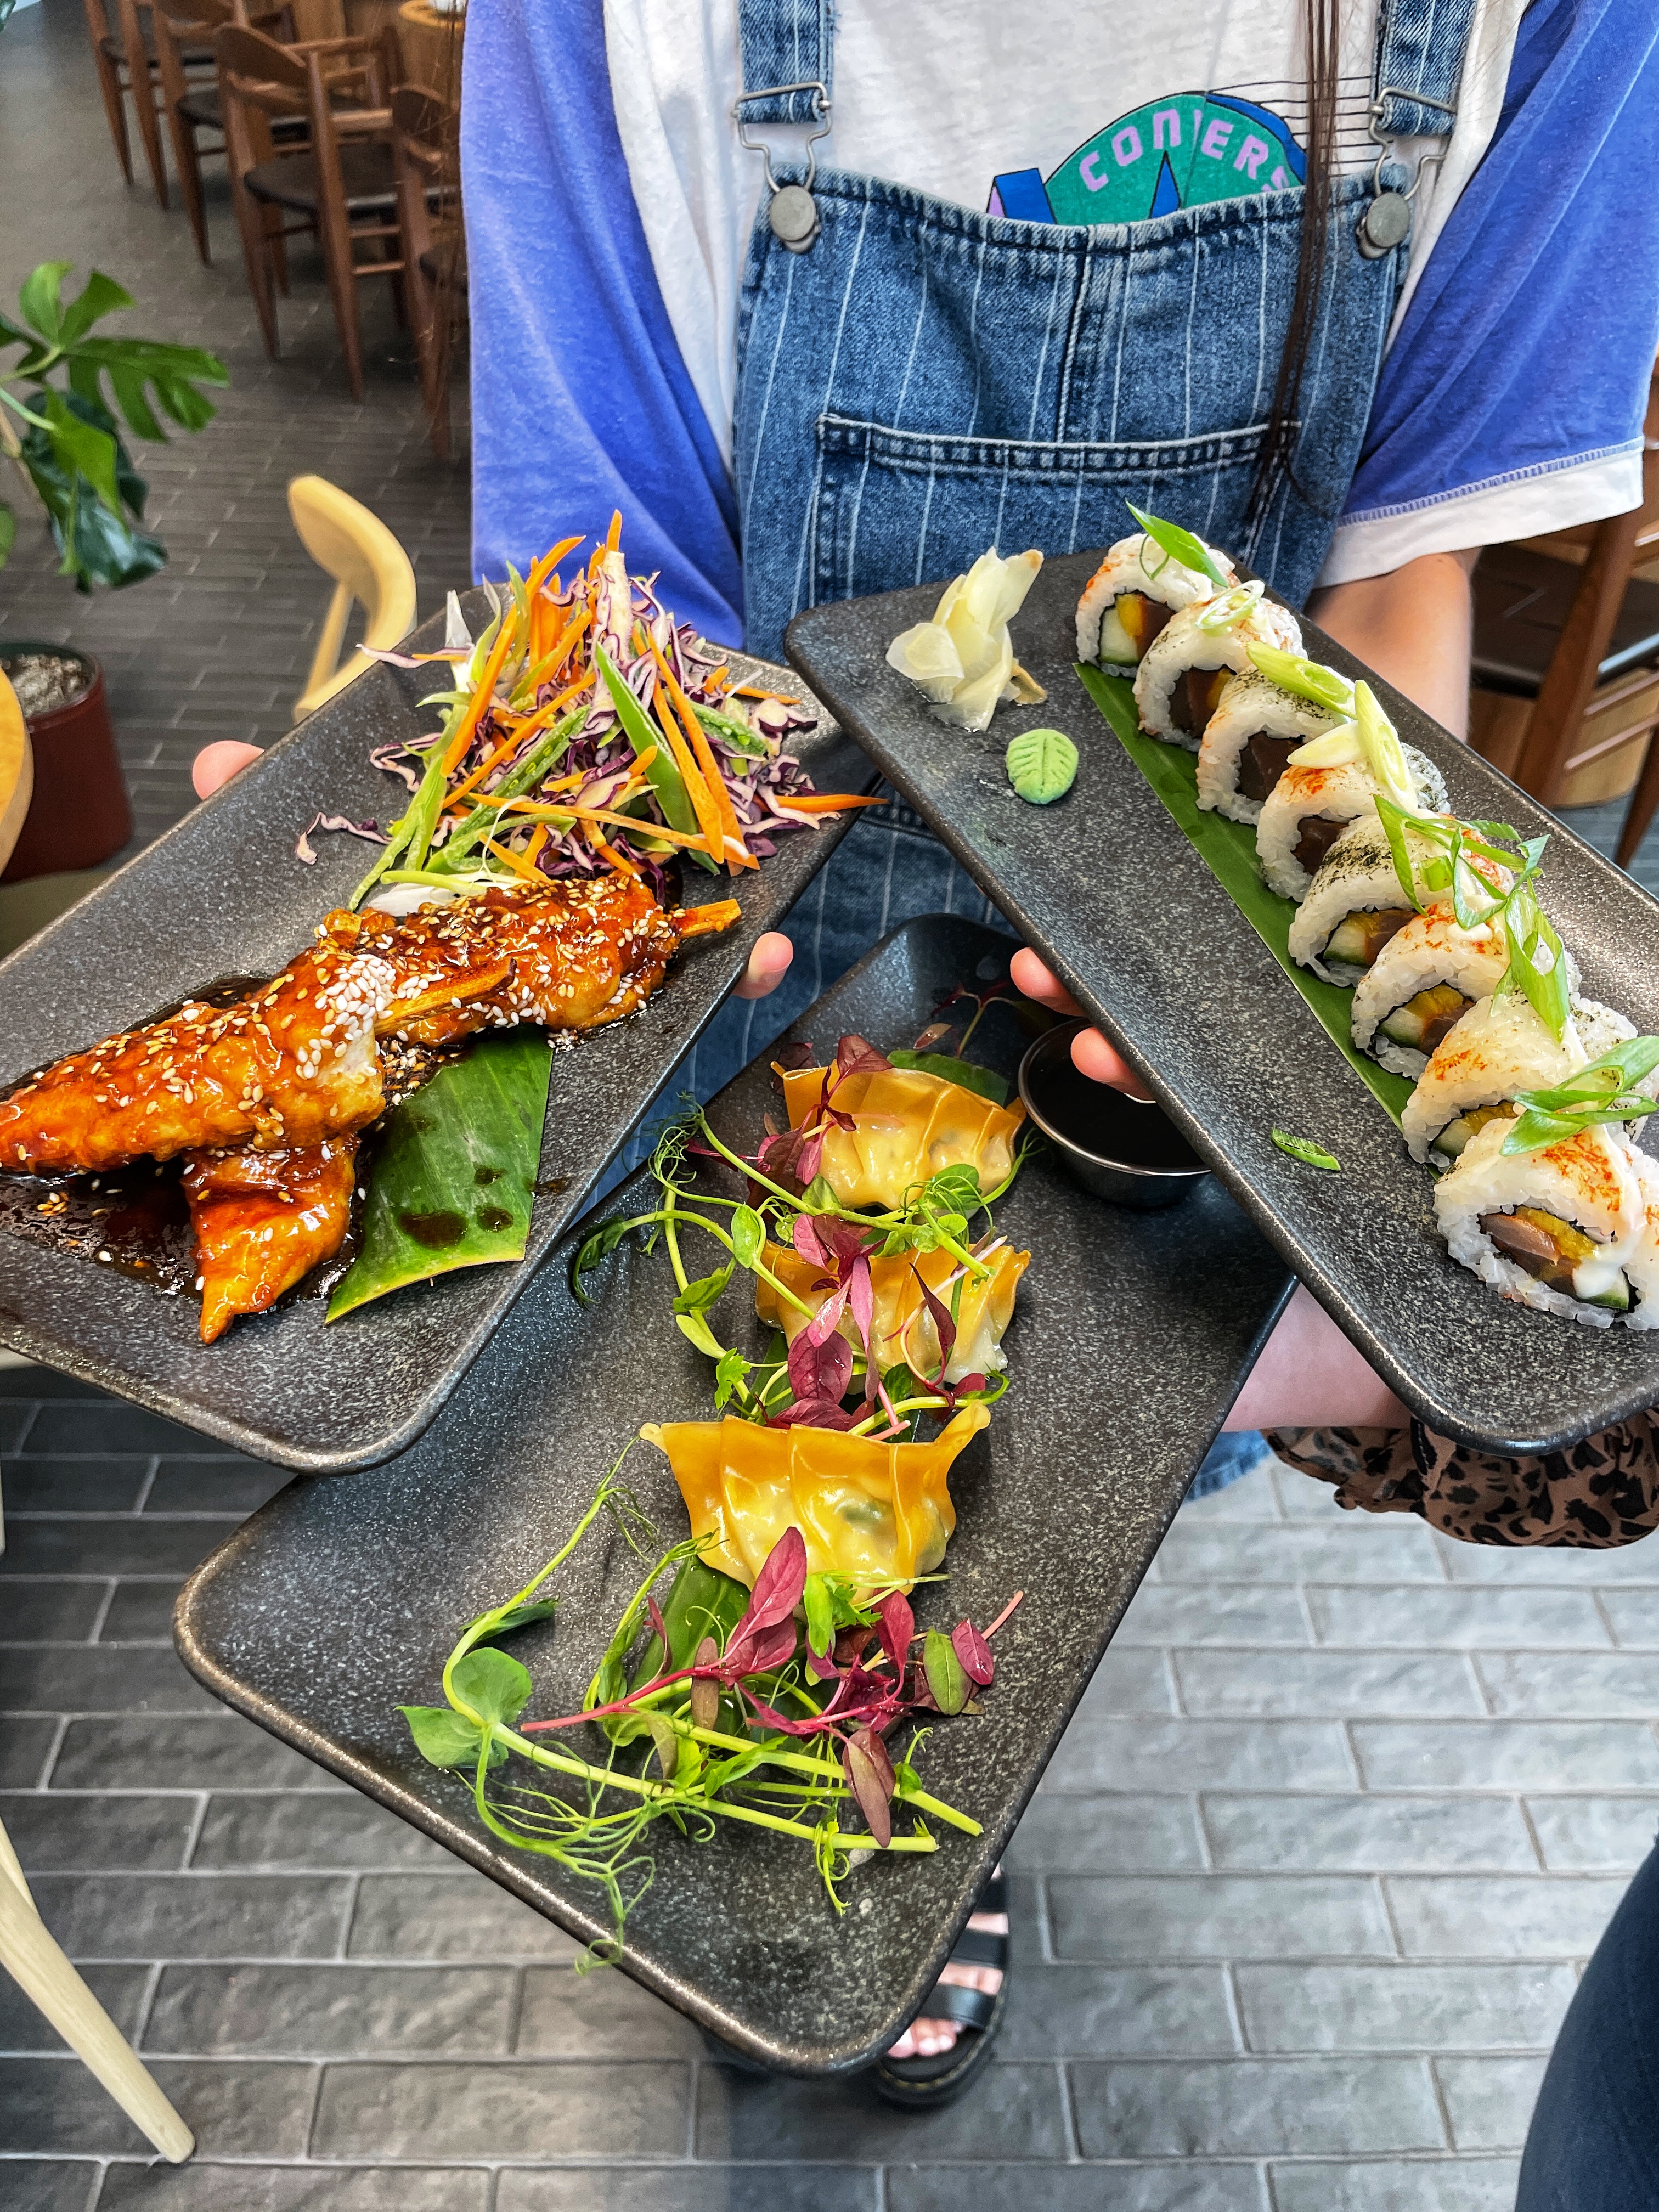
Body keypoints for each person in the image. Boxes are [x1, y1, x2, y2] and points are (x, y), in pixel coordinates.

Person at [199, 0, 1659, 2109]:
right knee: (705, 1425)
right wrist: (475, 950)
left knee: (1035, 1505)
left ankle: (906, 1803)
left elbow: (1398, 569)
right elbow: (617, 605)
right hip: (751, 906)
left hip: (1192, 967)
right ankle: (751, 1794)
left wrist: (1284, 1062)